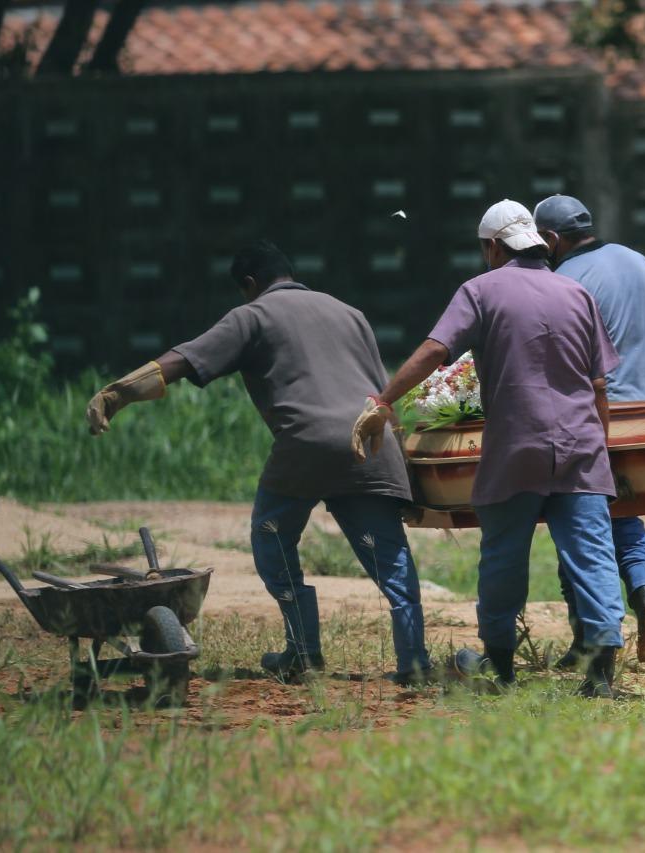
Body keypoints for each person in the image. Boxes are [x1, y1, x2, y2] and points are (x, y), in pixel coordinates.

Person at [86, 239, 432, 685]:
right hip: (370, 444)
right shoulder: (350, 313)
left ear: (250, 284)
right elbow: (380, 384)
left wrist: (118, 392)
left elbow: (187, 358)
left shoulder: (253, 315)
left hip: (306, 449)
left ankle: (303, 653)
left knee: (272, 538)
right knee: (392, 562)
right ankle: (415, 662)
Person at [352, 199, 626, 698]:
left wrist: (384, 399)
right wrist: (600, 448)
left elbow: (437, 351)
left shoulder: (480, 291)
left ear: (494, 247)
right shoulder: (577, 293)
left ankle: (500, 666)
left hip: (516, 447)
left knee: (502, 554)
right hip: (580, 445)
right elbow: (599, 385)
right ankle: (601, 673)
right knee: (592, 555)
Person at [533, 194, 645, 666]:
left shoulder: (560, 281)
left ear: (550, 239)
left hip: (592, 416)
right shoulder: (637, 260)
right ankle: (644, 595)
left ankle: (589, 638)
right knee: (624, 512)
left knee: (576, 519)